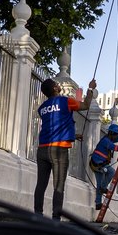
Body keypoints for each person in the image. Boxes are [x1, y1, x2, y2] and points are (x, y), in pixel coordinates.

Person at [34, 77, 96, 220]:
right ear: (55, 89)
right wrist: (91, 88)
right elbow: (86, 105)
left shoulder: (42, 108)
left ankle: (37, 215)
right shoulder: (65, 101)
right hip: (59, 151)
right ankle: (56, 219)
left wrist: (73, 135)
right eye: (56, 84)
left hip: (42, 149)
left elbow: (55, 126)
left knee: (41, 184)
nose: (58, 85)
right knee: (58, 186)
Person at [90, 123, 118, 210]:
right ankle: (103, 188)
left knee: (99, 183)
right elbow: (116, 148)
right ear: (111, 133)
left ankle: (98, 203)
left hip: (98, 164)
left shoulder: (109, 139)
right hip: (97, 164)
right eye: (115, 134)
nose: (116, 136)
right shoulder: (106, 141)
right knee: (111, 172)